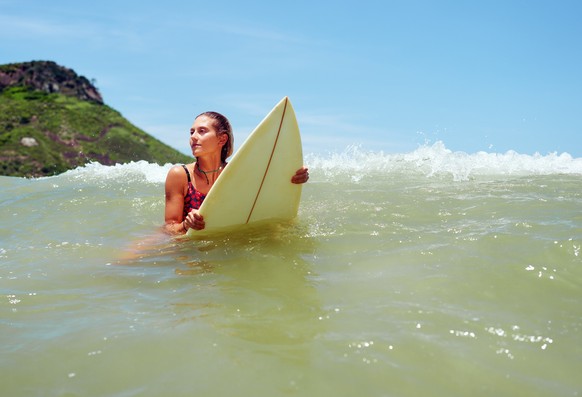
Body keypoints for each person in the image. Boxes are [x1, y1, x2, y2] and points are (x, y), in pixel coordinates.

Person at [164, 111, 309, 235]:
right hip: (192, 249)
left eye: (202, 131)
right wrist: (186, 225)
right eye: (192, 132)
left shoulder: (238, 173)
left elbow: (266, 189)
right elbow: (169, 228)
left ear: (222, 139)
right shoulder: (180, 175)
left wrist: (293, 176)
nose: (193, 137)